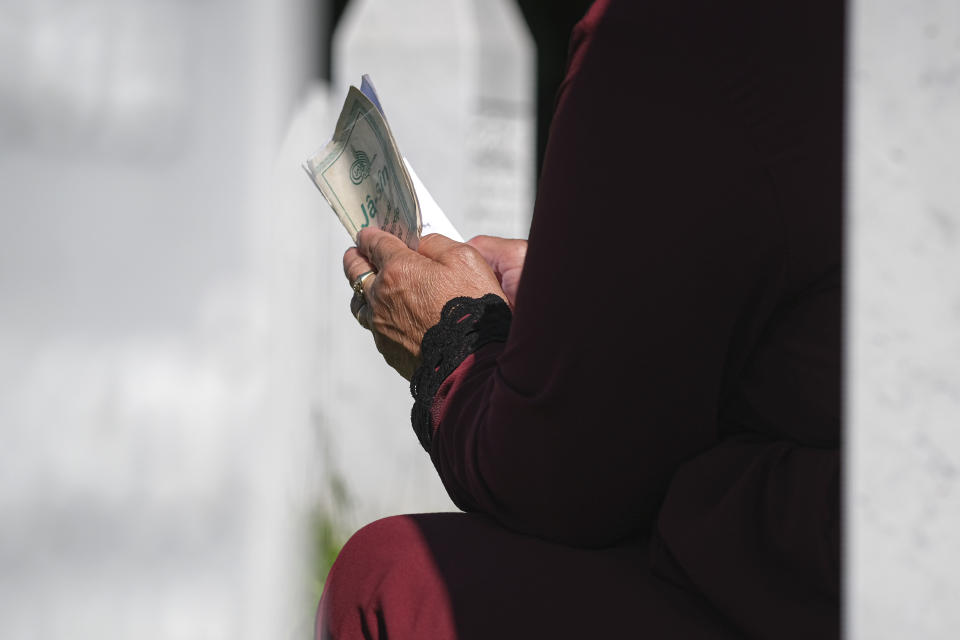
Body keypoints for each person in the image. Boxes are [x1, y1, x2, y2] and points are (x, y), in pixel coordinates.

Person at [318, 0, 842, 637]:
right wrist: (584, 287)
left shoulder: (676, 34)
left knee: (391, 582)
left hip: (828, 574)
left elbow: (554, 476)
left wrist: (454, 339)